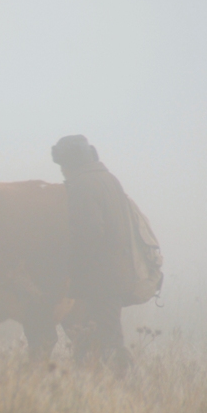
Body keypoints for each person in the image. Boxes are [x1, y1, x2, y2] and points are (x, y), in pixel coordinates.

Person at [51, 134, 134, 372]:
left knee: (107, 338)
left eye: (63, 165)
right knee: (96, 334)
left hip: (100, 277)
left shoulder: (82, 185)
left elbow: (89, 233)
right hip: (115, 272)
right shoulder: (108, 179)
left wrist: (73, 271)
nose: (63, 171)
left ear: (71, 163)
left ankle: (118, 384)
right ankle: (88, 382)